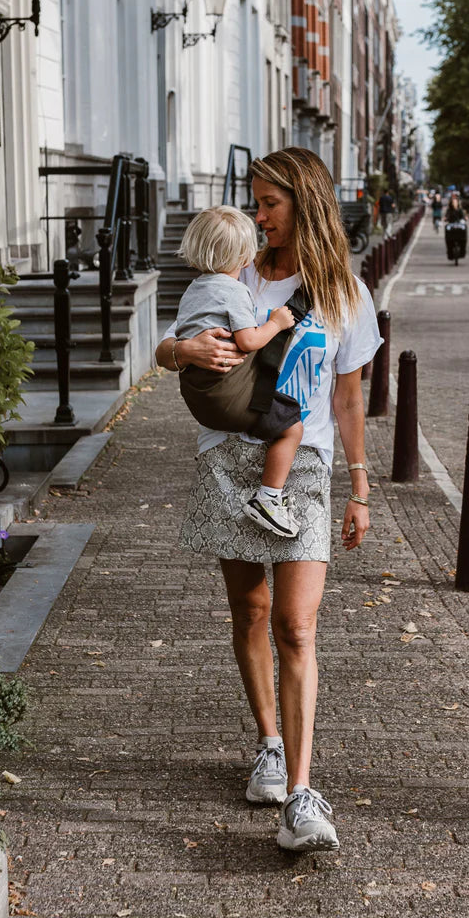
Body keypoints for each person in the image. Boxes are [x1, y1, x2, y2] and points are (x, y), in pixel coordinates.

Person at [155, 147, 382, 852]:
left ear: (304, 205)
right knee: (249, 608)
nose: (258, 215)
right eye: (254, 202)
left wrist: (361, 486)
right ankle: (269, 744)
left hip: (303, 466)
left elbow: (348, 396)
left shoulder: (342, 291)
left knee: (297, 626)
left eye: (269, 204)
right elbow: (167, 346)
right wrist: (184, 355)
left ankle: (303, 795)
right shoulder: (236, 274)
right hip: (229, 460)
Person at [172, 205, 304, 538]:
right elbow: (248, 340)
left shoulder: (194, 289)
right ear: (245, 256)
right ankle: (269, 498)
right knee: (292, 427)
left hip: (198, 395)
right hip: (228, 396)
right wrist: (276, 323)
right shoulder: (234, 291)